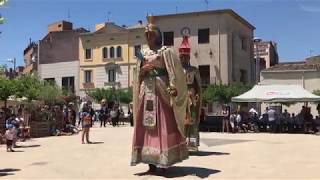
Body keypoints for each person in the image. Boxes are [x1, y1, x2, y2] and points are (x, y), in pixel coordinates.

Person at [131, 16, 188, 173]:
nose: (149, 37)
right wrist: (142, 71)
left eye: (151, 34)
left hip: (161, 91)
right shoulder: (142, 53)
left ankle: (164, 161)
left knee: (164, 124)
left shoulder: (166, 51)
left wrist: (173, 86)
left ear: (157, 35)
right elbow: (137, 75)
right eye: (147, 34)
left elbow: (174, 72)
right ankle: (150, 163)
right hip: (146, 92)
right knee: (145, 128)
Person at [179, 35, 202, 151]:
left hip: (191, 99)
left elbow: (199, 86)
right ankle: (180, 145)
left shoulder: (194, 70)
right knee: (180, 122)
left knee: (191, 121)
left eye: (185, 56)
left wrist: (197, 95)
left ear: (188, 57)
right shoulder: (177, 70)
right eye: (181, 56)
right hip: (180, 99)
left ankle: (191, 145)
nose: (183, 58)